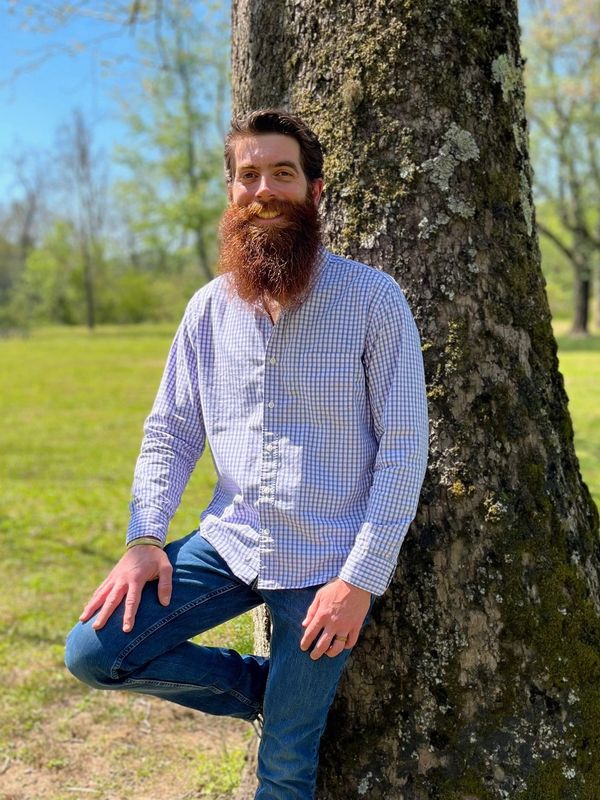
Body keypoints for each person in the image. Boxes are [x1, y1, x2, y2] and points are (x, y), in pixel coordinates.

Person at [65, 108, 429, 799]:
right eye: (248, 175)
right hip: (228, 543)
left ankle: (293, 705)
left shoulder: (374, 301)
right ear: (232, 192)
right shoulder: (207, 308)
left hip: (327, 565)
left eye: (282, 174)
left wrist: (359, 583)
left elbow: (405, 450)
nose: (264, 189)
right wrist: (145, 538)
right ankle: (268, 687)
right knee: (94, 651)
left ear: (315, 191)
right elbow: (170, 431)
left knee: (286, 766)